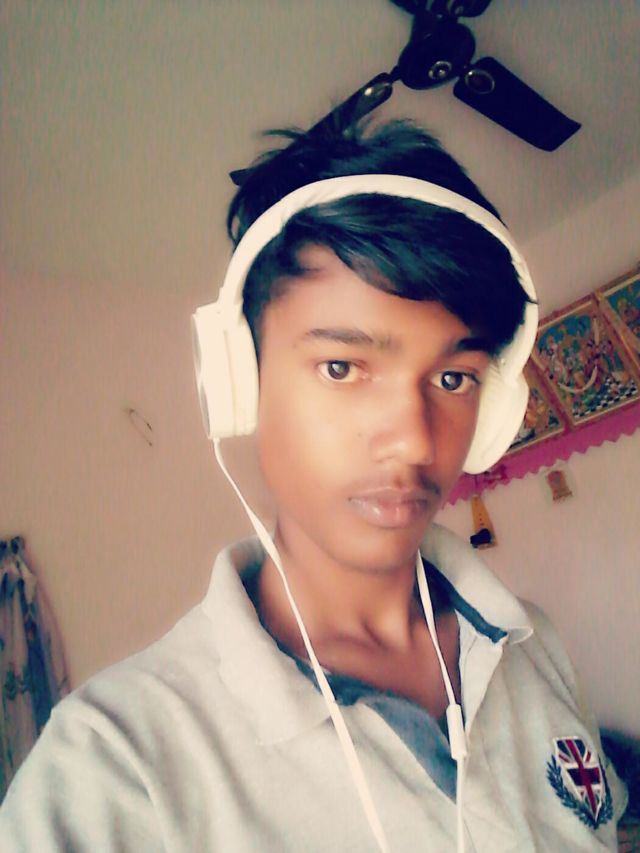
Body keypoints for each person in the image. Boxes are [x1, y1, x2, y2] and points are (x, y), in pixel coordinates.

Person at [0, 119, 627, 851]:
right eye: (342, 367)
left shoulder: (532, 643)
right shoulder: (112, 765)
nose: (415, 439)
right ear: (241, 385)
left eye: (455, 378)